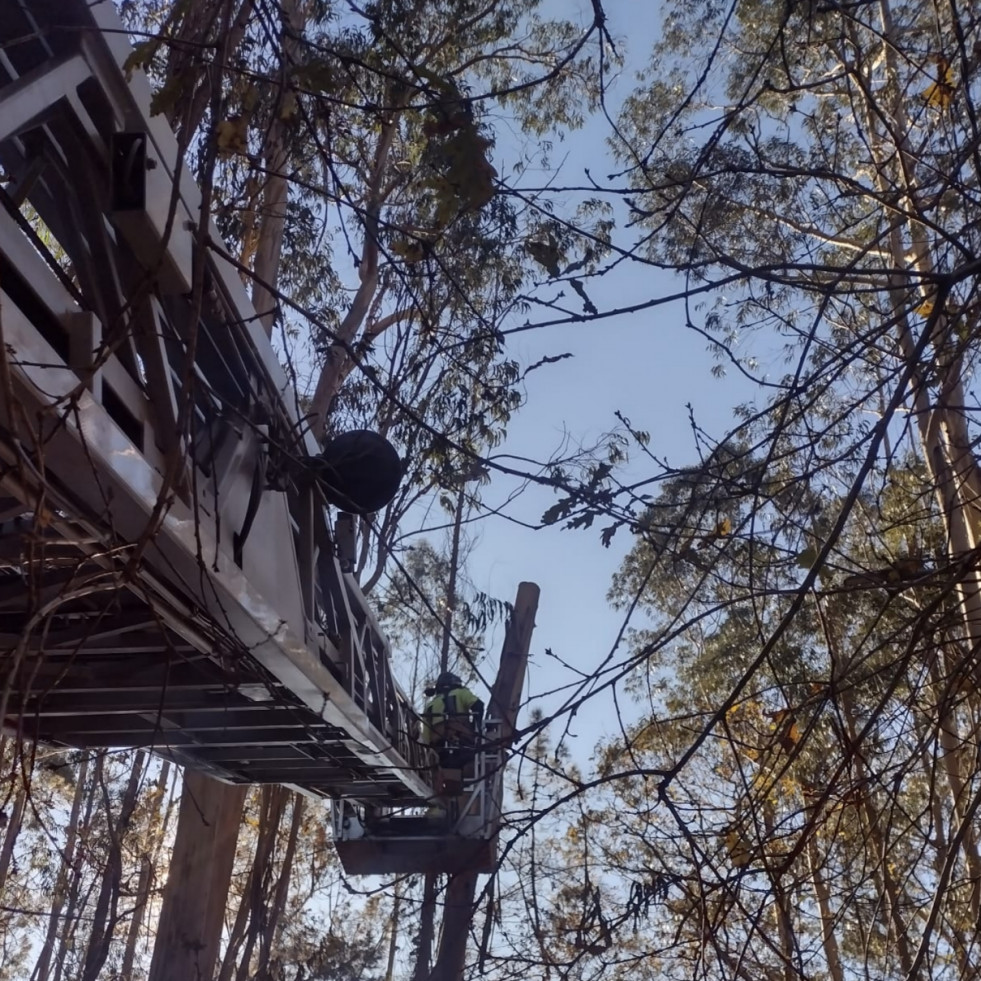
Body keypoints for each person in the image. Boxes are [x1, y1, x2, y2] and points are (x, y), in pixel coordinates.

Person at [421, 671, 484, 766]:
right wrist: (477, 729)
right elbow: (478, 706)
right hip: (463, 747)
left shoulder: (430, 706)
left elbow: (425, 736)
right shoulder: (461, 693)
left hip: (439, 753)